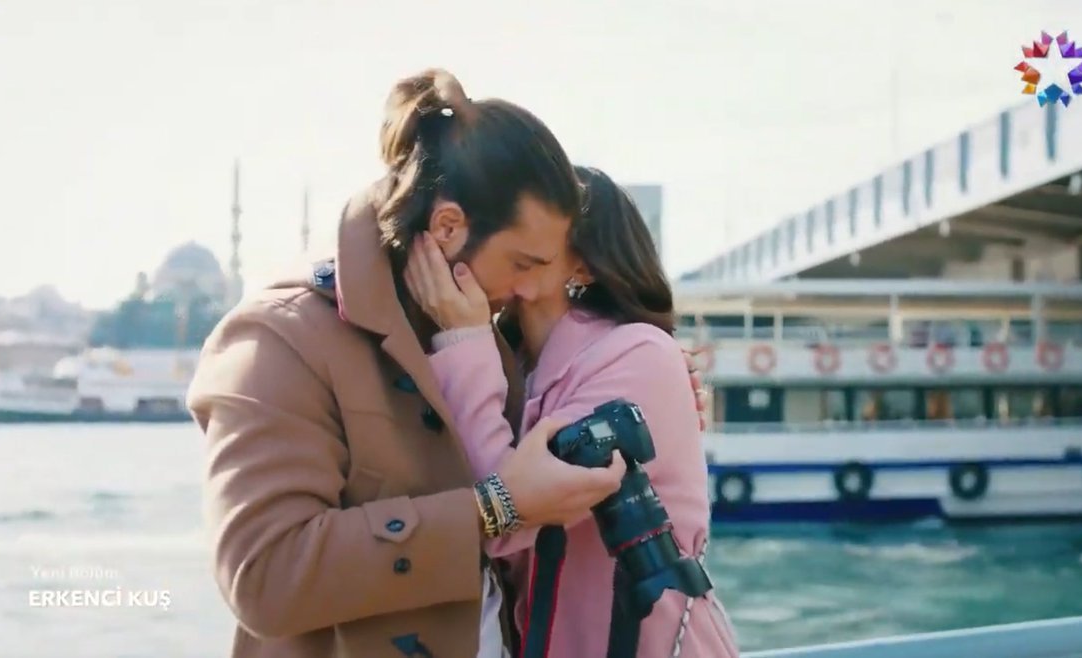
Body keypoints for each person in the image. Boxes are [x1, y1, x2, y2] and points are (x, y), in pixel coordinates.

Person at [187, 70, 707, 658]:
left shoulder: (480, 339)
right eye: (522, 263)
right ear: (448, 226)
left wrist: (660, 382)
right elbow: (263, 575)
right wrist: (494, 508)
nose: (526, 290)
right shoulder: (279, 338)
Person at [408, 166, 740, 657]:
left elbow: (513, 514)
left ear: (582, 266)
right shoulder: (513, 366)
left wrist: (463, 338)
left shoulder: (637, 353)